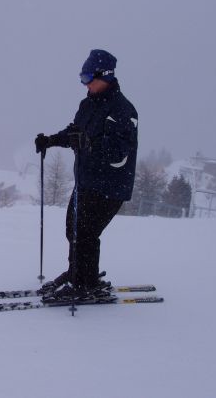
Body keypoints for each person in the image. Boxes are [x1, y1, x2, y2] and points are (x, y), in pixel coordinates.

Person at [34, 49, 138, 301]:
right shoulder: (88, 104)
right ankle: (77, 273)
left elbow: (119, 153)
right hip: (87, 180)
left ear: (106, 76)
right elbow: (75, 132)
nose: (86, 84)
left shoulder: (123, 110)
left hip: (110, 185)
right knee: (74, 230)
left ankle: (85, 283)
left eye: (89, 78)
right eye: (83, 78)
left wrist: (89, 144)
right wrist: (51, 140)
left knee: (86, 232)